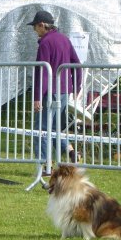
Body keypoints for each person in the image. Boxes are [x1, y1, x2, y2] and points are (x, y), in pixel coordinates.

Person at [28, 10, 82, 172]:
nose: (34, 31)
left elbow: (43, 72)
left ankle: (46, 165)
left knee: (42, 128)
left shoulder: (45, 43)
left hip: (49, 91)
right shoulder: (64, 39)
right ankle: (71, 151)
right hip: (65, 90)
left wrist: (37, 97)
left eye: (35, 27)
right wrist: (76, 87)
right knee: (55, 126)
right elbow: (77, 64)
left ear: (42, 25)